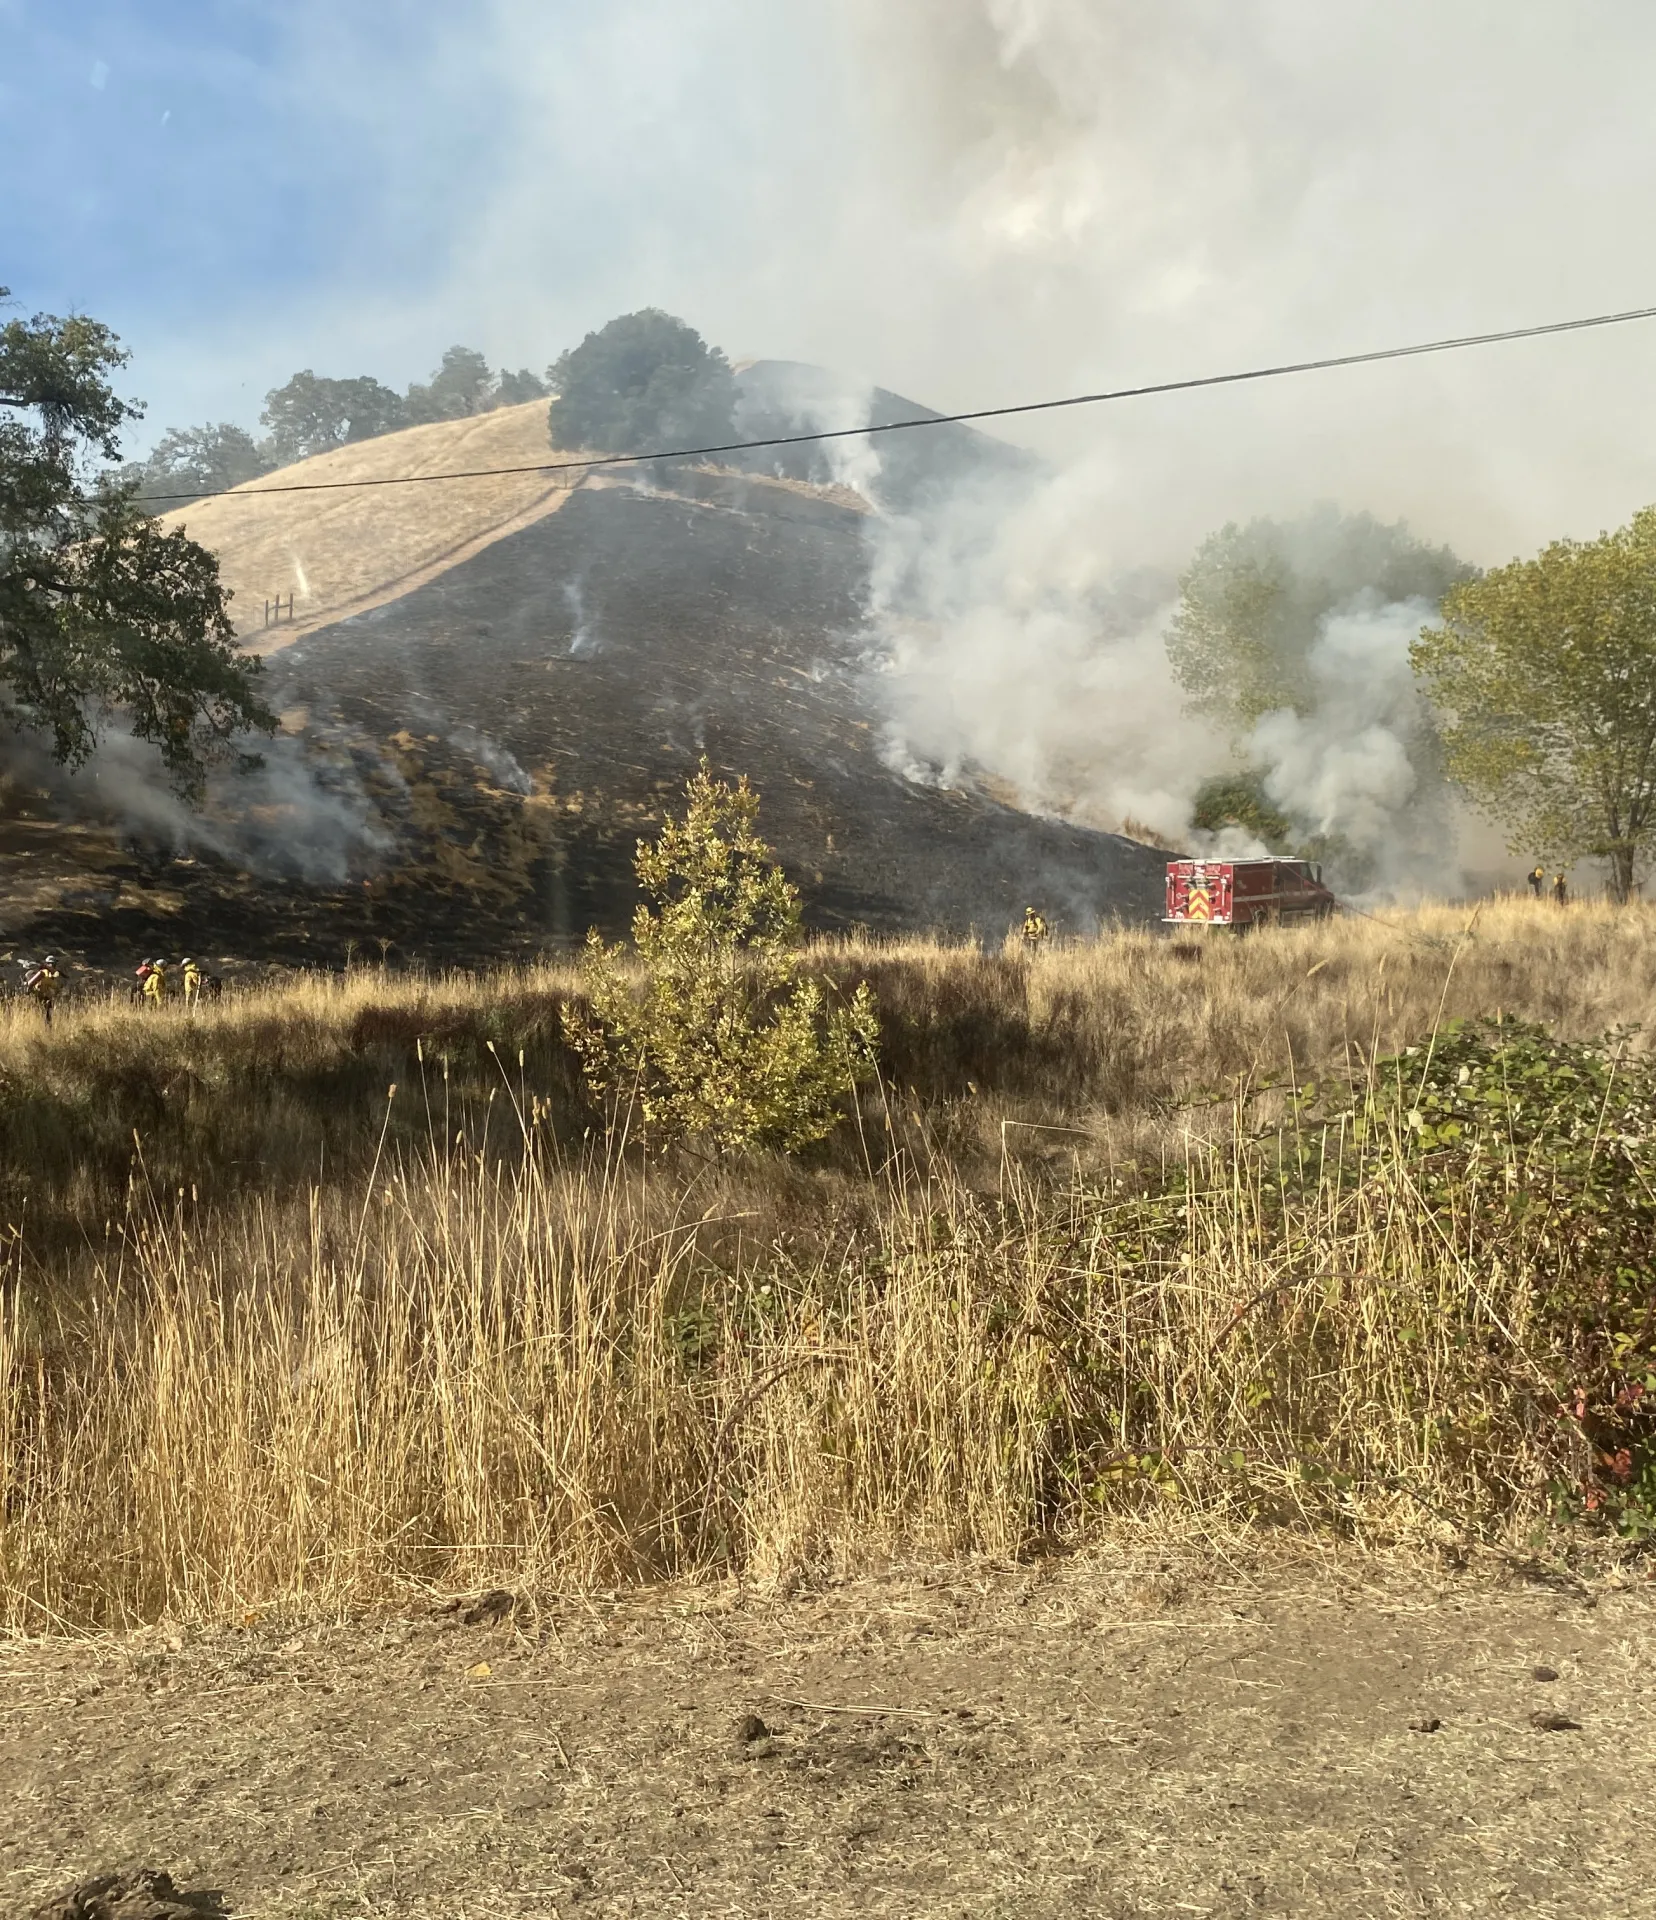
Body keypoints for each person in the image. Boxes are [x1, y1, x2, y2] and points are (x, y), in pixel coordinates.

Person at [23, 954, 63, 1027]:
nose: (53, 965)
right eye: (53, 964)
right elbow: (52, 984)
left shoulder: (46, 973)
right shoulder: (44, 973)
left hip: (43, 997)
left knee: (46, 1016)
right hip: (41, 997)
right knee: (45, 1016)